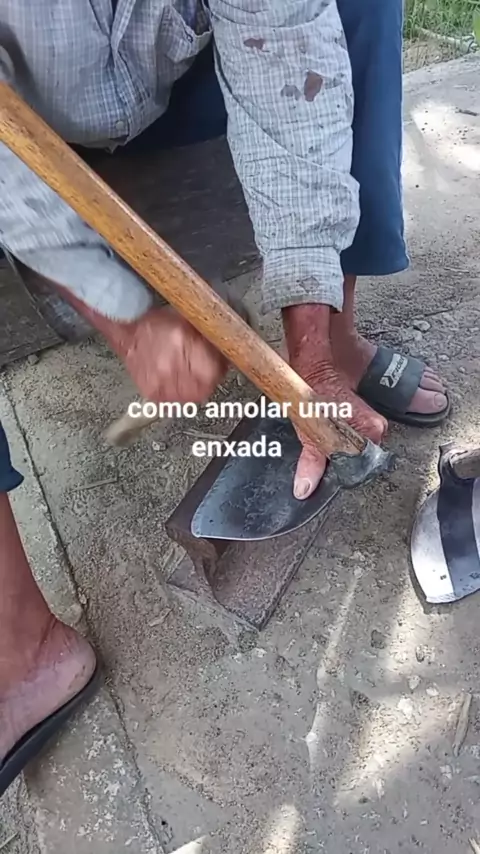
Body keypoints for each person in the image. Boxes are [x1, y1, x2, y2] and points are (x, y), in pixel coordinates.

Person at [0, 0, 450, 795]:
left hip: (182, 82)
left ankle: (337, 345)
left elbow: (289, 45)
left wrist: (307, 346)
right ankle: (22, 644)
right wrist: (122, 313)